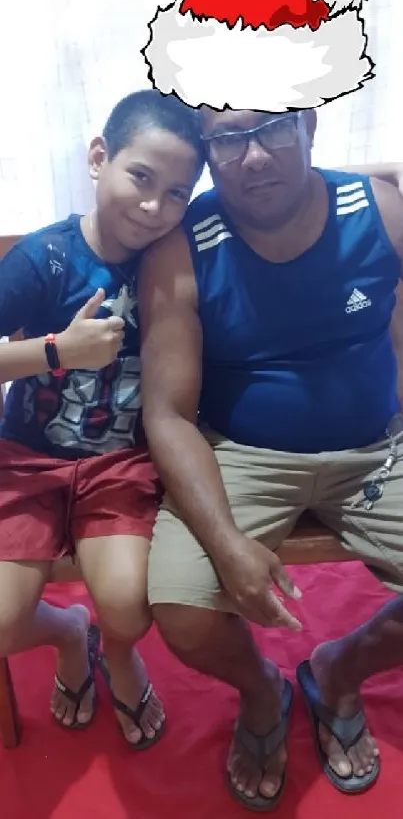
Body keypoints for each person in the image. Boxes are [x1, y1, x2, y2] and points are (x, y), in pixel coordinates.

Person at [139, 105, 403, 809]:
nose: (252, 156)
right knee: (181, 608)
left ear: (310, 126)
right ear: (205, 150)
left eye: (273, 128)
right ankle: (262, 692)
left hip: (377, 447)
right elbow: (165, 411)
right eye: (226, 138)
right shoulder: (183, 244)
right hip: (240, 451)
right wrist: (225, 544)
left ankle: (339, 668)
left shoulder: (376, 208)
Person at [0, 89, 204, 746]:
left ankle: (115, 650)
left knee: (126, 602)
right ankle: (67, 635)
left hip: (121, 461)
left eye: (177, 192)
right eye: (141, 177)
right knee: (2, 620)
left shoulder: (175, 259)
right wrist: (56, 350)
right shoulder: (45, 257)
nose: (154, 206)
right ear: (99, 157)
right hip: (28, 459)